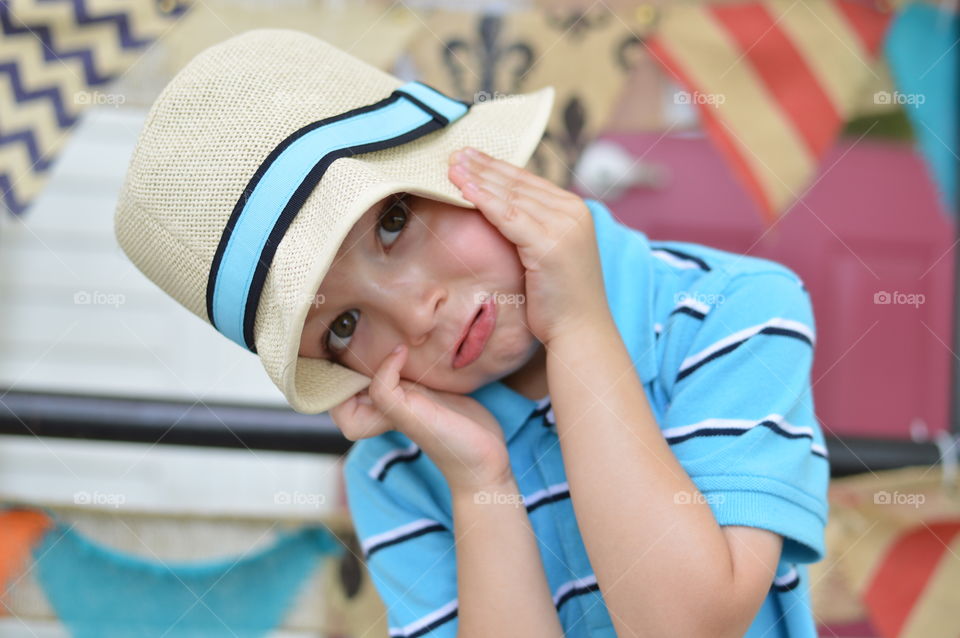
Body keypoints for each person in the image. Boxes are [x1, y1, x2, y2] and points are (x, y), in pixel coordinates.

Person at [115, 28, 828, 638]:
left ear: (470, 166)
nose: (414, 311)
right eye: (343, 325)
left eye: (392, 224)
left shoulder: (729, 311)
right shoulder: (399, 467)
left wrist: (580, 329)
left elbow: (685, 625)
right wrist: (479, 482)